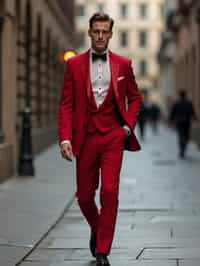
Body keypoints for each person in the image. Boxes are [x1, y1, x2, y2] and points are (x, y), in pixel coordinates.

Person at [58, 13, 142, 266]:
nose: (100, 36)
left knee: (109, 191)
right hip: (85, 138)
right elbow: (66, 104)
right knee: (84, 196)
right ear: (89, 33)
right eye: (96, 31)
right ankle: (98, 228)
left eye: (105, 32)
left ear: (111, 34)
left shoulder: (123, 65)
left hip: (113, 137)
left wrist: (127, 126)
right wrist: (64, 138)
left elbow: (135, 98)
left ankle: (103, 250)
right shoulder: (74, 65)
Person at [169, 90, 197, 158]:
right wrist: (195, 119)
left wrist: (171, 120)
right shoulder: (189, 103)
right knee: (186, 136)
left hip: (179, 122)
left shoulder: (176, 103)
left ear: (180, 95)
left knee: (181, 136)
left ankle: (182, 148)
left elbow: (173, 112)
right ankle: (183, 147)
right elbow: (192, 112)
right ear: (185, 95)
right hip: (186, 122)